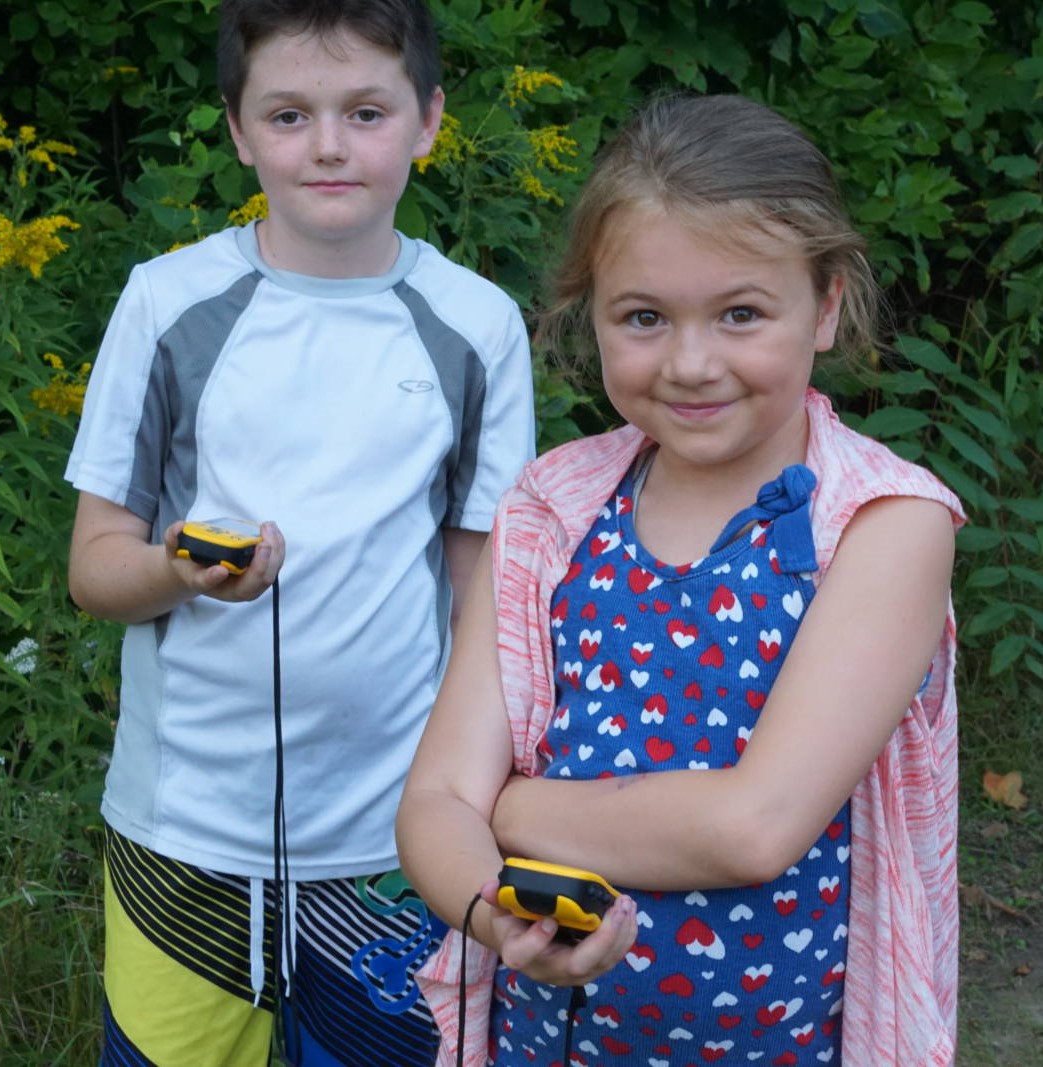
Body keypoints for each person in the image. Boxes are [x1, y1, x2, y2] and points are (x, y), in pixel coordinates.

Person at [397, 93, 963, 1067]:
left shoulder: (879, 523)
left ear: (824, 304)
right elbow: (435, 795)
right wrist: (495, 915)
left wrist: (515, 812)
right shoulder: (552, 510)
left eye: (739, 312)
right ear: (594, 311)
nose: (691, 363)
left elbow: (752, 826)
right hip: (549, 1043)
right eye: (644, 317)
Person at [66, 1, 535, 1064]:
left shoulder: (476, 324)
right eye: (288, 114)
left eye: (365, 111)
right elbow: (95, 569)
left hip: (395, 838)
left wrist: (480, 799)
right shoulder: (167, 301)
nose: (328, 144)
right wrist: (178, 568)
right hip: (181, 830)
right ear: (238, 130)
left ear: (427, 121)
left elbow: (482, 597)